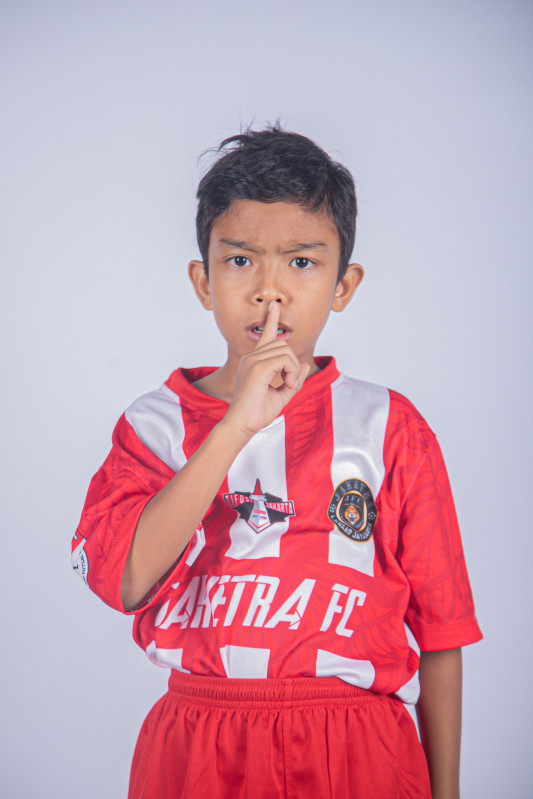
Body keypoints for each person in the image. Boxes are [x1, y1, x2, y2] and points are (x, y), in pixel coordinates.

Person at [72, 125, 482, 799]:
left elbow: (441, 634)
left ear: (343, 284)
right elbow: (125, 581)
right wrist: (235, 425)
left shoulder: (390, 427)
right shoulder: (153, 426)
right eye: (240, 260)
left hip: (357, 744)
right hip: (199, 744)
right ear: (203, 281)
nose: (270, 291)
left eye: (301, 263)